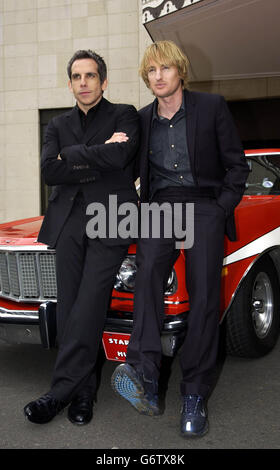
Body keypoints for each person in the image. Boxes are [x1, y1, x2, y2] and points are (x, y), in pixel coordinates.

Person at [111, 40, 249, 437]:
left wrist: (220, 208)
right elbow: (128, 170)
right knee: (147, 276)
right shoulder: (141, 119)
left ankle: (194, 393)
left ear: (180, 72)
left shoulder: (211, 107)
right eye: (151, 71)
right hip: (161, 205)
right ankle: (146, 377)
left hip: (204, 203)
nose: (158, 77)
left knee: (205, 296)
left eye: (165, 69)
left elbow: (236, 166)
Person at [24, 50, 139, 425]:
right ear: (70, 83)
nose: (84, 82)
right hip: (69, 221)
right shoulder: (57, 125)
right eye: (77, 76)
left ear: (103, 81)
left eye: (91, 76)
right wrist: (96, 155)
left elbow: (121, 158)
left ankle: (57, 393)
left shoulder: (124, 114)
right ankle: (83, 394)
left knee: (89, 305)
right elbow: (48, 172)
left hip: (112, 219)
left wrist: (71, 158)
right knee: (73, 307)